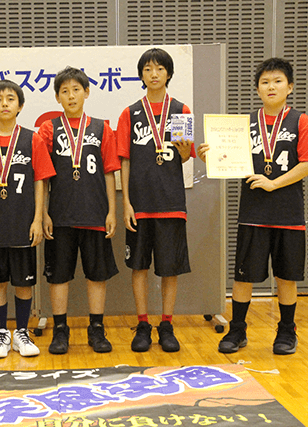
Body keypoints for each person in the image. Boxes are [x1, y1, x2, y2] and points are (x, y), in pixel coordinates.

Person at [198, 57, 308, 355]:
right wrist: (211, 157)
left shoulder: (301, 121)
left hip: (288, 213)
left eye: (278, 81)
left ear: (289, 87)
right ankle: (237, 330)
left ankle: (286, 331)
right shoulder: (244, 125)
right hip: (253, 213)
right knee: (243, 276)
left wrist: (274, 183)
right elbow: (230, 161)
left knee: (286, 277)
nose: (271, 86)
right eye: (265, 82)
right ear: (257, 89)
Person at [116, 48, 195, 353]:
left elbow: (185, 157)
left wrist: (185, 149)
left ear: (169, 73)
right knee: (139, 267)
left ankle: (167, 324)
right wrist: (126, 203)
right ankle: (143, 325)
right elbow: (124, 160)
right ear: (141, 75)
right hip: (140, 203)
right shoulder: (130, 113)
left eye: (160, 69)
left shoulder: (181, 110)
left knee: (169, 268)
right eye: (148, 69)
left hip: (170, 202)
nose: (154, 74)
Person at [38, 66, 120, 355]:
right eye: (64, 91)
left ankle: (96, 329)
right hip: (60, 215)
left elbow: (109, 172)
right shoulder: (49, 129)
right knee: (58, 275)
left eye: (76, 90)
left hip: (95, 213)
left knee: (97, 275)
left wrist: (112, 211)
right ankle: (60, 330)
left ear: (86, 92)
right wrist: (43, 212)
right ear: (57, 97)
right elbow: (42, 177)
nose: (71, 96)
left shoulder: (102, 128)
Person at [0, 80, 56, 358]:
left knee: (23, 282)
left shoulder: (32, 139)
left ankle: (21, 332)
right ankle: (1, 333)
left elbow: (41, 181)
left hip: (23, 221)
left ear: (20, 106)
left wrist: (38, 218)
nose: (5, 103)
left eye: (10, 99)